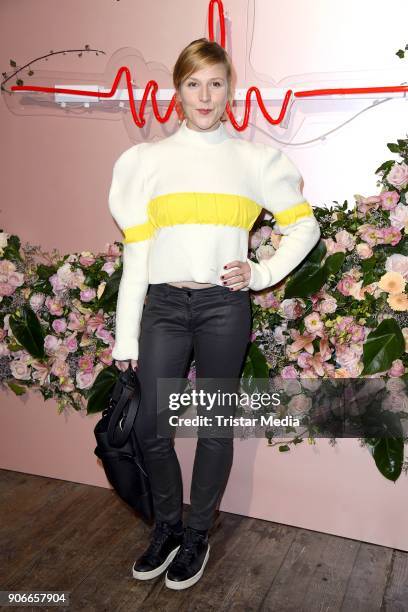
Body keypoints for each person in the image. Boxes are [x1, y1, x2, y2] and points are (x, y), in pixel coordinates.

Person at [108, 38, 321, 590]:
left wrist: (261, 271)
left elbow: (305, 226)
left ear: (231, 90)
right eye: (193, 83)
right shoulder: (146, 162)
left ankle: (197, 533)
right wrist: (124, 338)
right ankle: (168, 526)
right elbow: (136, 260)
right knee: (154, 429)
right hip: (163, 306)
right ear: (176, 91)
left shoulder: (254, 160)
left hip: (224, 307)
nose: (205, 95)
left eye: (216, 83)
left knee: (213, 429)